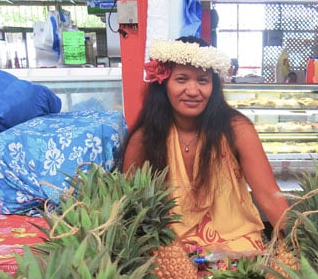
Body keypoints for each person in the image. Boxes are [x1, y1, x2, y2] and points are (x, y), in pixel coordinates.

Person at [120, 36, 290, 253]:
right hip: (171, 255)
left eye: (202, 80)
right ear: (163, 84)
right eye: (181, 79)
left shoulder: (237, 130)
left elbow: (269, 196)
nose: (192, 91)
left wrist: (299, 250)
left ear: (213, 86)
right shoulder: (144, 138)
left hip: (237, 250)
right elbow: (130, 207)